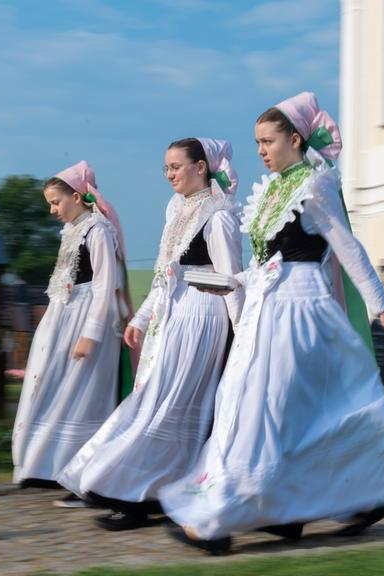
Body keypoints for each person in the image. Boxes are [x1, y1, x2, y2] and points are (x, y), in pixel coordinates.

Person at [160, 92, 384, 554]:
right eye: (257, 143)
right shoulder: (272, 189)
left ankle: (222, 518)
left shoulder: (316, 184)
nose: (262, 150)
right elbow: (267, 263)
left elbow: (346, 248)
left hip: (299, 309)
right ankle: (319, 507)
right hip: (268, 310)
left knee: (264, 408)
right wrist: (227, 282)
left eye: (268, 141)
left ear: (295, 138)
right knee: (271, 408)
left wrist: (380, 305)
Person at [57, 138, 244, 530]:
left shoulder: (220, 216)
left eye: (177, 166)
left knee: (171, 404)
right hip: (173, 316)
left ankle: (137, 489)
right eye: (167, 168)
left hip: (203, 318)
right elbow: (163, 275)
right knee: (157, 400)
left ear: (201, 167)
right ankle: (142, 488)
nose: (170, 174)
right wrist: (140, 319)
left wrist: (241, 333)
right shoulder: (176, 208)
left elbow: (231, 282)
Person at [11, 160, 132, 492]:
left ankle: (78, 468)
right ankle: (42, 464)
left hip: (84, 320)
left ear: (77, 197)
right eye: (50, 203)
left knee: (81, 396)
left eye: (56, 202)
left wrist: (90, 334)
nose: (53, 211)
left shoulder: (98, 230)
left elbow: (106, 285)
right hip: (62, 317)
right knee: (52, 390)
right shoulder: (73, 231)